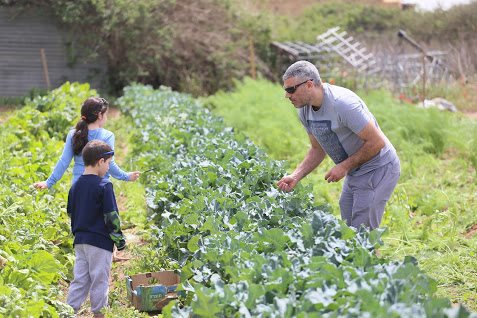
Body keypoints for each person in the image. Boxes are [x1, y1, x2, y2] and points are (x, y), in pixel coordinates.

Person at [277, 61, 400, 230]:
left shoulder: (342, 104)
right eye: (286, 90)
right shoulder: (305, 110)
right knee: (348, 229)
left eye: (291, 90)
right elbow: (317, 149)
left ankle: (372, 256)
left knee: (363, 233)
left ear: (309, 85)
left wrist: (343, 166)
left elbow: (377, 142)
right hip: (355, 170)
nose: (287, 95)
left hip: (378, 167)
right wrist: (295, 176)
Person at [66, 140, 125, 317]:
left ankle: (68, 312)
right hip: (100, 243)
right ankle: (99, 314)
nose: (108, 167)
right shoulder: (104, 186)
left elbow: (71, 212)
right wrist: (119, 241)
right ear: (100, 161)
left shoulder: (75, 186)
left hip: (80, 241)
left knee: (80, 280)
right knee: (100, 280)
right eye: (108, 163)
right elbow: (111, 216)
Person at [33, 96, 140, 190]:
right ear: (99, 115)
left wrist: (48, 182)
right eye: (106, 115)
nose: (106, 118)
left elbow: (63, 162)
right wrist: (126, 176)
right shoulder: (107, 136)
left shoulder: (73, 134)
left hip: (78, 188)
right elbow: (110, 165)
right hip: (100, 188)